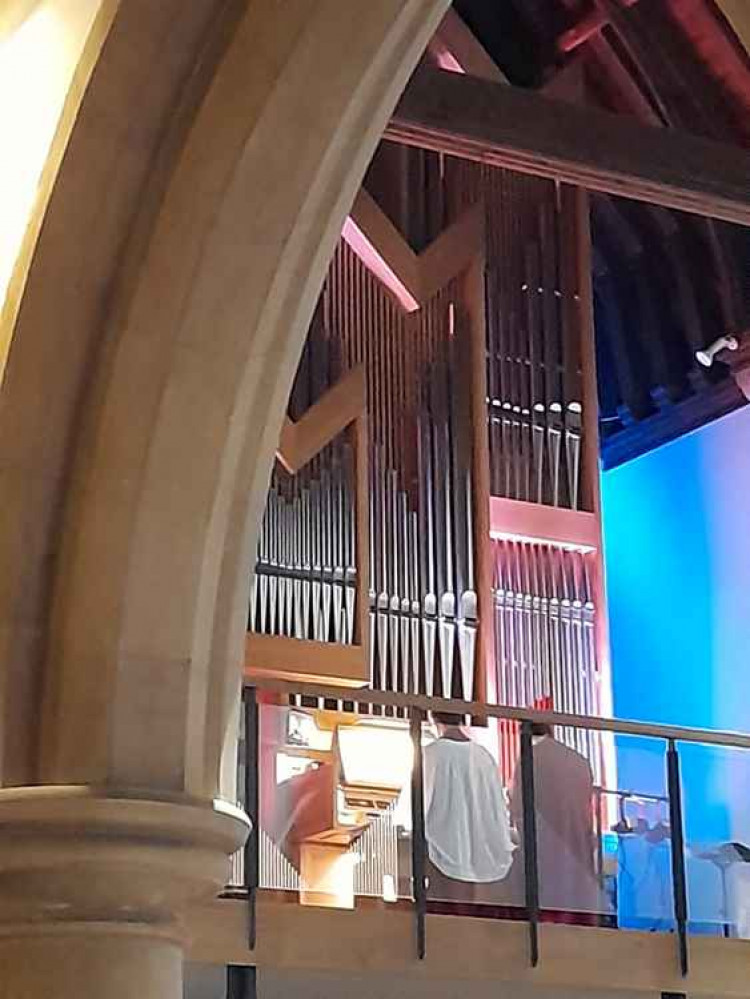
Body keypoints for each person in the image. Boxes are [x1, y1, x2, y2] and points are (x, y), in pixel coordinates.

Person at [421, 711, 515, 904]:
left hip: (441, 856)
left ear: (432, 719)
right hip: (481, 854)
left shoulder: (430, 753)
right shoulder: (484, 755)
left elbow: (416, 806)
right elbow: (497, 809)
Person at [510, 722, 603, 918]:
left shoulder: (530, 758)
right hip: (578, 845)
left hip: (546, 848)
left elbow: (518, 808)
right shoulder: (580, 760)